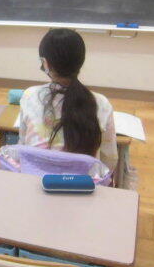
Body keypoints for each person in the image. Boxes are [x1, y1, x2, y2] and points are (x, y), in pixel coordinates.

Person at [18, 28, 118, 170]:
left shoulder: (29, 95)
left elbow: (22, 147)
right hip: (84, 183)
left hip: (33, 180)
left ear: (45, 63)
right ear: (81, 61)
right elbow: (110, 160)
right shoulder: (101, 103)